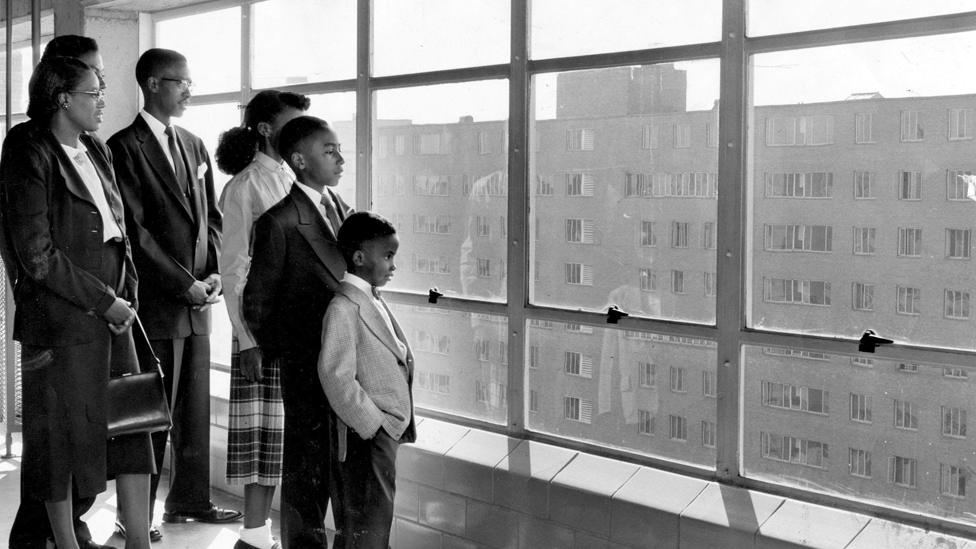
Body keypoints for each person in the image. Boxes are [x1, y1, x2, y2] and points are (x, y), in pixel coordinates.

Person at [0, 56, 156, 549]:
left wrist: (125, 297)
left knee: (134, 427)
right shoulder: (30, 149)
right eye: (94, 92)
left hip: (114, 314)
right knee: (57, 442)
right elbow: (37, 253)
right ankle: (65, 544)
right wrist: (104, 301)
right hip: (64, 318)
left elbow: (119, 229)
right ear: (62, 98)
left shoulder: (95, 147)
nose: (103, 100)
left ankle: (138, 541)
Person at [107, 48, 239, 535]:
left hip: (199, 302)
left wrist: (214, 275)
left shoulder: (195, 144)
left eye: (189, 81)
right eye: (180, 81)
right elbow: (135, 231)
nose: (189, 89)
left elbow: (213, 220)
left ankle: (189, 502)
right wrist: (184, 283)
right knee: (152, 414)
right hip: (159, 304)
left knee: (193, 411)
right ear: (151, 83)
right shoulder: (122, 147)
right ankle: (135, 519)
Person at [243, 115, 352, 549]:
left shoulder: (340, 208)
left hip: (345, 364)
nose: (341, 159)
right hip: (308, 366)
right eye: (329, 151)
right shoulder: (280, 221)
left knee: (341, 468)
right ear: (299, 161)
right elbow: (256, 302)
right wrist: (295, 352)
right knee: (307, 473)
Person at [215, 89, 310, 549]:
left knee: (285, 435)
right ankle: (254, 538)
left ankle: (267, 537)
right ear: (268, 129)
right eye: (294, 122)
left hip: (297, 327)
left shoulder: (297, 178)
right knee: (262, 437)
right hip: (260, 327)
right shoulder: (246, 186)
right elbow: (233, 269)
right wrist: (247, 339)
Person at [317, 212, 415, 549]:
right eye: (387, 256)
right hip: (366, 437)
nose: (393, 265)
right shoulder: (343, 307)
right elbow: (335, 376)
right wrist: (373, 426)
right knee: (366, 527)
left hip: (380, 436)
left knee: (374, 522)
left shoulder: (372, 300)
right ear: (359, 257)